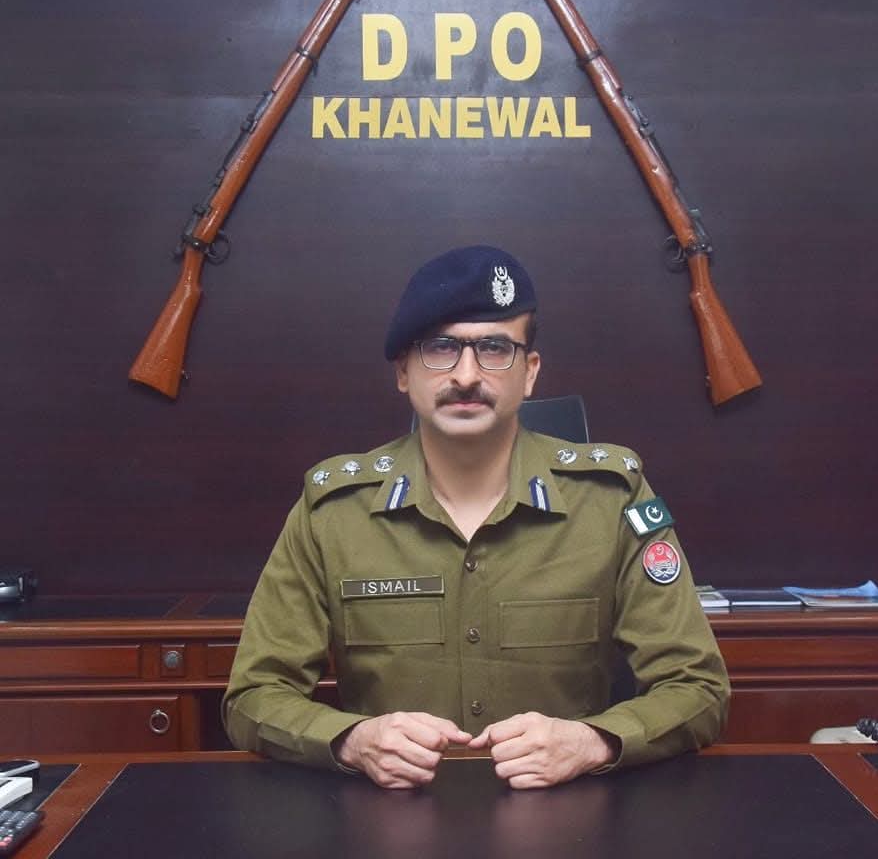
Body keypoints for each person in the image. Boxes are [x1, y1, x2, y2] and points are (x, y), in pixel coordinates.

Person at [223, 244, 729, 789]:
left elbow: (697, 687)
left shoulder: (611, 499)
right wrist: (351, 740)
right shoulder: (334, 510)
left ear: (530, 373)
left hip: (568, 816)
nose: (466, 375)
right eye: (440, 348)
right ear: (403, 372)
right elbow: (254, 695)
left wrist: (593, 741)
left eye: (494, 348)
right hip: (388, 819)